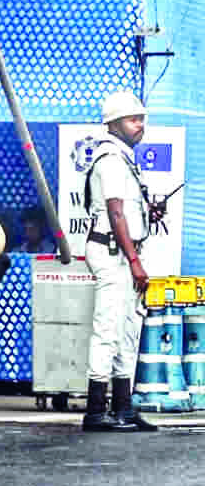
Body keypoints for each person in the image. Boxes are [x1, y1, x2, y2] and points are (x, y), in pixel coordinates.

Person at [82, 90, 163, 433]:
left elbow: (126, 209)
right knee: (107, 329)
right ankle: (96, 411)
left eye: (141, 118)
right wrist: (134, 260)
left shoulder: (123, 157)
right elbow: (115, 212)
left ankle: (124, 408)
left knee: (127, 330)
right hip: (114, 252)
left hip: (123, 252)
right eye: (133, 119)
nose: (140, 125)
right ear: (112, 123)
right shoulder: (111, 158)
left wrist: (148, 212)